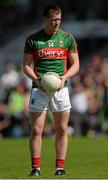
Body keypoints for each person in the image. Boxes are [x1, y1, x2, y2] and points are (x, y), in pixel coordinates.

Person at [23, 4, 80, 176]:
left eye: (59, 19)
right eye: (54, 19)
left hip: (60, 89)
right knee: (37, 129)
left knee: (62, 129)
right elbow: (25, 65)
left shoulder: (67, 38)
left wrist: (64, 78)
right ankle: (35, 168)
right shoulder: (33, 39)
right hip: (39, 88)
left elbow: (76, 64)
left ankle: (60, 168)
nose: (57, 23)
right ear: (45, 19)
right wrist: (36, 79)